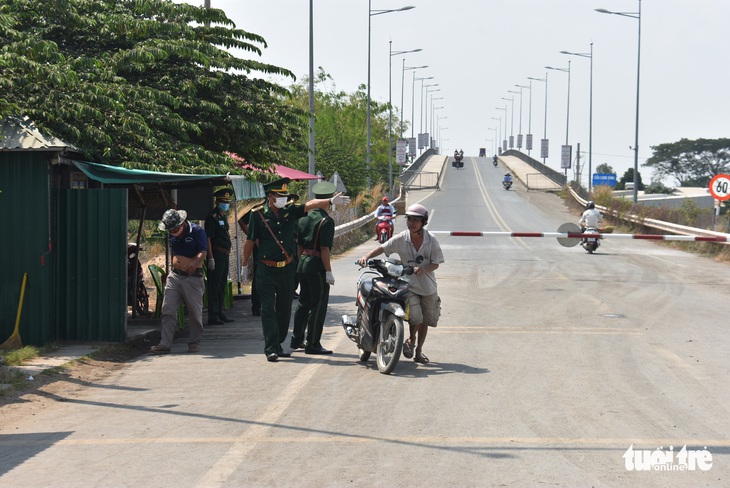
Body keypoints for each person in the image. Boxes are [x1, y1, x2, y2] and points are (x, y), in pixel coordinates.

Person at [241, 177, 350, 362]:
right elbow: (250, 241)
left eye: (285, 195)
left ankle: (278, 343)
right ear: (270, 196)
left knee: (284, 309)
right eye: (279, 195)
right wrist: (244, 266)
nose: (283, 199)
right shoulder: (257, 215)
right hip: (265, 270)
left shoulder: (290, 211)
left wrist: (330, 201)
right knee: (267, 309)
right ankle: (271, 348)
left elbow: (310, 204)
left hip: (287, 268)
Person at [357, 203, 444, 364]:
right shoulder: (402, 238)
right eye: (409, 219)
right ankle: (411, 341)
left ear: (423, 222)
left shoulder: (431, 241)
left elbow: (436, 263)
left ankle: (418, 350)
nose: (411, 223)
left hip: (428, 286)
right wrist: (366, 256)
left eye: (415, 220)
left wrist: (424, 269)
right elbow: (383, 248)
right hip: (408, 285)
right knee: (415, 318)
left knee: (427, 320)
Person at [290, 181, 338, 355]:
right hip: (317, 265)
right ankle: (313, 343)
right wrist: (328, 272)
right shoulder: (326, 221)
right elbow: (325, 249)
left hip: (303, 262)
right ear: (328, 201)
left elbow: (300, 247)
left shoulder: (304, 218)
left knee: (303, 302)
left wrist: (300, 262)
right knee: (318, 305)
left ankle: (296, 339)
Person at [150, 209, 207, 354]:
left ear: (181, 224)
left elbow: (203, 251)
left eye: (173, 229)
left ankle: (194, 342)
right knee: (168, 309)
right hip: (175, 276)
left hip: (193, 278)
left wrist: (195, 263)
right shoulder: (172, 235)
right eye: (169, 230)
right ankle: (165, 343)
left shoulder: (197, 231)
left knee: (194, 312)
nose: (171, 232)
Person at [205, 188, 235, 325]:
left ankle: (220, 312)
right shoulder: (212, 217)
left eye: (227, 202)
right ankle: (213, 314)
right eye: (224, 202)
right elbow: (208, 238)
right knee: (214, 285)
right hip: (216, 254)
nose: (226, 204)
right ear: (217, 202)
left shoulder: (223, 217)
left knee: (222, 284)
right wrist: (210, 257)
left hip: (224, 254)